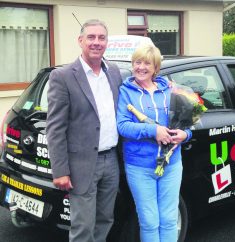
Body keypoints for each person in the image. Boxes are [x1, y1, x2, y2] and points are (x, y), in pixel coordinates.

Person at [46, 19, 122, 242]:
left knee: (105, 219)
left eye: (101, 38)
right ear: (80, 41)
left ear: (107, 42)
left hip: (112, 160)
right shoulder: (63, 76)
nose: (96, 42)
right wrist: (60, 170)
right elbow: (55, 127)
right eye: (91, 37)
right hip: (82, 165)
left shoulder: (114, 72)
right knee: (82, 227)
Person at [117, 44, 192, 242]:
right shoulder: (126, 92)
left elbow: (186, 123)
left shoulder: (169, 90)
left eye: (147, 63)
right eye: (137, 62)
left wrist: (185, 135)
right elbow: (122, 126)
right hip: (139, 166)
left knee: (168, 219)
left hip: (171, 164)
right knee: (149, 221)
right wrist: (154, 130)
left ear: (155, 67)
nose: (141, 67)